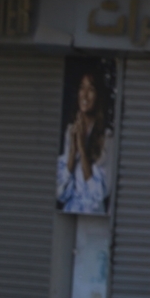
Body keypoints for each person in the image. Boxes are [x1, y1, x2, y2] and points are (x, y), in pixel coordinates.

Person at [56, 71, 114, 214]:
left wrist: (82, 149)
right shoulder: (70, 131)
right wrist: (72, 152)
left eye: (91, 89)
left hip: (92, 217)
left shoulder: (107, 137)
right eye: (82, 88)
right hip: (70, 214)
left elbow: (98, 195)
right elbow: (60, 192)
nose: (85, 95)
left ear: (98, 95)